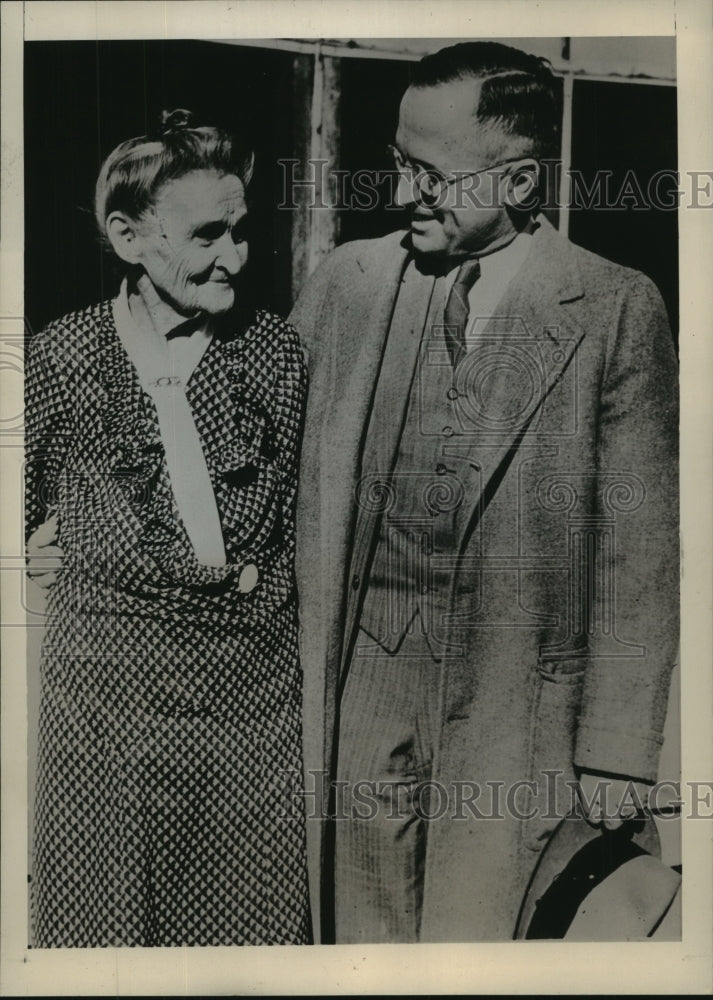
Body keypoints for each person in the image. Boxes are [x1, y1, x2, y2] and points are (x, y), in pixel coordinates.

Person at [289, 42, 679, 943]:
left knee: (480, 945)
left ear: (516, 180)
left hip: (516, 711)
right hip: (359, 687)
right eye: (396, 165)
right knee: (357, 944)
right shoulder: (347, 284)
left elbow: (638, 550)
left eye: (430, 176)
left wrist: (617, 751)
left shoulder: (613, 307)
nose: (401, 196)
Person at [24, 110, 311, 947]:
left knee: (245, 922)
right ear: (126, 235)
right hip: (104, 703)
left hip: (249, 701)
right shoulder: (63, 356)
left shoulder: (274, 354)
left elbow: (298, 517)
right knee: (103, 923)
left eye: (242, 231)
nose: (235, 256)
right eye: (207, 234)